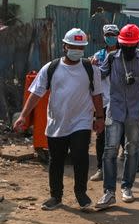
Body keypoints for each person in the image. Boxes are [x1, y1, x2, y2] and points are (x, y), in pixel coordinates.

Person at [14, 29, 104, 211]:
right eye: (73, 46)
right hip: (57, 122)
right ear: (65, 46)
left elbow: (97, 95)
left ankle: (81, 194)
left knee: (80, 156)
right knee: (56, 160)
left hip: (81, 121)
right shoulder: (51, 68)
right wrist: (23, 115)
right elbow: (35, 94)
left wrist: (99, 117)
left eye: (81, 47)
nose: (77, 50)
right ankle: (56, 196)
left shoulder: (90, 69)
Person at [95, 24, 139, 210]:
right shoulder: (112, 58)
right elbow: (100, 74)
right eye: (125, 45)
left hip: (136, 111)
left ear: (137, 43)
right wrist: (90, 65)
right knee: (110, 150)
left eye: (131, 45)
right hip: (115, 109)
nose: (128, 48)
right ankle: (109, 192)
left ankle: (127, 187)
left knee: (132, 150)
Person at [89, 24, 119, 182]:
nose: (110, 37)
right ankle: (101, 168)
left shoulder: (123, 54)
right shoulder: (98, 56)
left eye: (113, 34)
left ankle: (113, 167)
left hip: (119, 101)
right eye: (108, 34)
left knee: (117, 136)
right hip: (102, 101)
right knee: (101, 136)